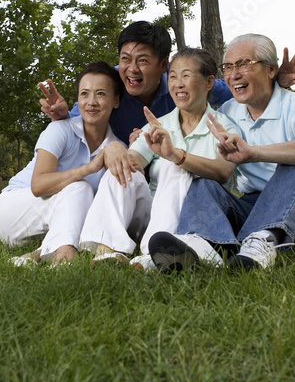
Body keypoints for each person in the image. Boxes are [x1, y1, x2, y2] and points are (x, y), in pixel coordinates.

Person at [148, 33, 295, 273]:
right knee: (203, 183)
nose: (233, 74)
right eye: (227, 66)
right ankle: (201, 244)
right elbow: (192, 98)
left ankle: (261, 243)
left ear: (271, 69)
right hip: (253, 204)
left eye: (243, 64)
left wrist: (254, 153)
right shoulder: (229, 110)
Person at [37, 21, 295, 184]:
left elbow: (240, 92)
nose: (132, 69)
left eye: (143, 60)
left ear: (163, 64)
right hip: (122, 166)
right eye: (125, 59)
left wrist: (275, 82)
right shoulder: (109, 87)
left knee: (174, 173)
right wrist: (61, 116)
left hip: (174, 170)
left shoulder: (185, 87)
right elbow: (83, 120)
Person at [78, 48, 236, 269]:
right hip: (153, 214)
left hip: (194, 219)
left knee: (176, 168)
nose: (178, 83)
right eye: (172, 76)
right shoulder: (159, 125)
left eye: (186, 75)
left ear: (209, 82)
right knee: (122, 167)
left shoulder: (223, 126)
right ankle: (109, 249)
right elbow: (134, 159)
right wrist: (117, 151)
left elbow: (223, 172)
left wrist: (176, 156)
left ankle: (154, 253)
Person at [0, 62, 124, 266]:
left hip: (57, 219)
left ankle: (37, 255)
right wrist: (89, 168)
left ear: (116, 100)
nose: (91, 102)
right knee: (80, 186)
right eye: (84, 94)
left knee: (87, 196)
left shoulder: (116, 148)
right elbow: (38, 186)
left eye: (100, 94)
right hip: (15, 211)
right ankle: (64, 255)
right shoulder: (60, 130)